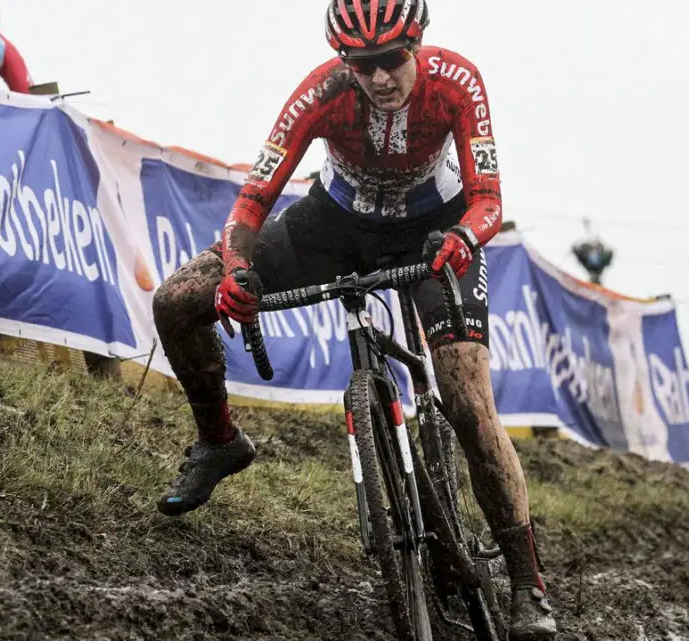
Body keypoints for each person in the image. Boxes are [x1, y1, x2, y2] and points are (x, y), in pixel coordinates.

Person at [150, 0, 556, 638]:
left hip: (435, 231)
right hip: (335, 222)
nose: (379, 78)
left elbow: (488, 201)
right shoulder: (324, 91)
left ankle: (527, 583)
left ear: (417, 43)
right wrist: (233, 268)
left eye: (392, 60)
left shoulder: (457, 83)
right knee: (176, 301)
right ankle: (220, 440)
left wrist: (464, 239)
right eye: (361, 64)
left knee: (467, 403)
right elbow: (254, 197)